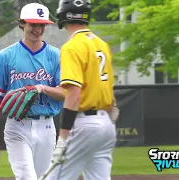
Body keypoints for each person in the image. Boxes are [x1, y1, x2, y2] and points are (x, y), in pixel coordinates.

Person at [0, 2, 65, 180]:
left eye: (41, 24)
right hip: (17, 127)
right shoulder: (6, 56)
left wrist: (42, 88)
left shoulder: (55, 55)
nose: (37, 29)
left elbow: (65, 93)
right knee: (27, 177)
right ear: (22, 24)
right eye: (33, 24)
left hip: (47, 126)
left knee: (43, 178)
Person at [43, 0, 117, 179]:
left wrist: (62, 139)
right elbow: (108, 91)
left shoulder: (72, 46)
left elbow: (74, 94)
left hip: (84, 124)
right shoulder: (102, 44)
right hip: (106, 124)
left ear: (64, 15)